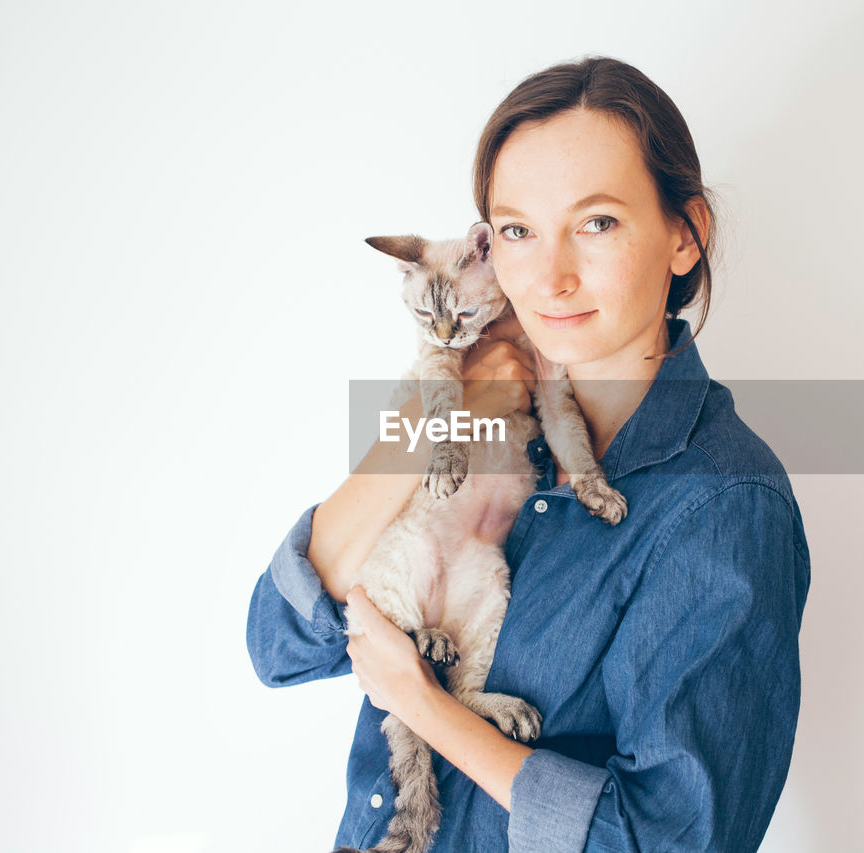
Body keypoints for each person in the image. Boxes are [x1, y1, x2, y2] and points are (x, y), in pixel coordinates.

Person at [246, 55, 811, 853]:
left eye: (597, 223)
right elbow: (278, 643)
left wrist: (426, 706)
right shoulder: (495, 425)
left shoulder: (721, 504)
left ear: (685, 235)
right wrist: (439, 420)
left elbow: (669, 838)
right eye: (517, 230)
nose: (549, 275)